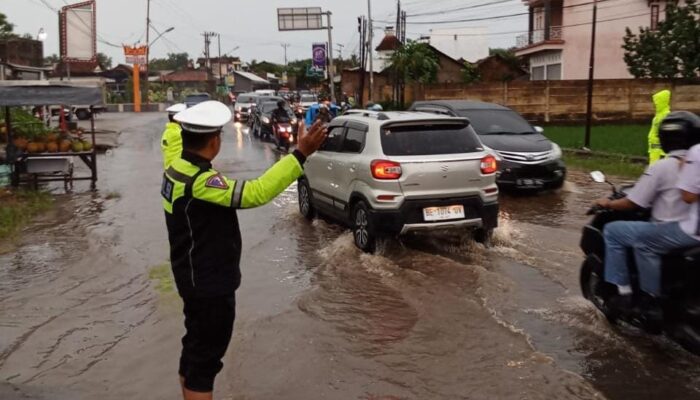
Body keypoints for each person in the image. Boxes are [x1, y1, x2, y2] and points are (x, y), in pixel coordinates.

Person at [162, 100, 327, 400]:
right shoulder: (200, 182)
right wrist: (300, 154)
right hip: (209, 284)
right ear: (214, 141)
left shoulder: (175, 169)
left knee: (195, 349)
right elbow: (255, 193)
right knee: (206, 361)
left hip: (191, 278)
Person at [601, 111, 700, 312]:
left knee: (614, 231)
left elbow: (633, 203)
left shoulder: (664, 167)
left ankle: (629, 295)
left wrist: (607, 203)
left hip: (681, 230)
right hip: (691, 230)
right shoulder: (693, 160)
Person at [648, 89, 671, 165]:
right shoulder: (657, 116)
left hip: (660, 148)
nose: (655, 104)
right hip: (654, 147)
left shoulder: (666, 115)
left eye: (658, 102)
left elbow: (667, 133)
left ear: (663, 102)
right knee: (654, 169)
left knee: (660, 168)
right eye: (655, 103)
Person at [161, 103, 187, 169]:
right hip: (178, 171)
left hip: (170, 170)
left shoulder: (168, 131)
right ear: (177, 119)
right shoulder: (179, 133)